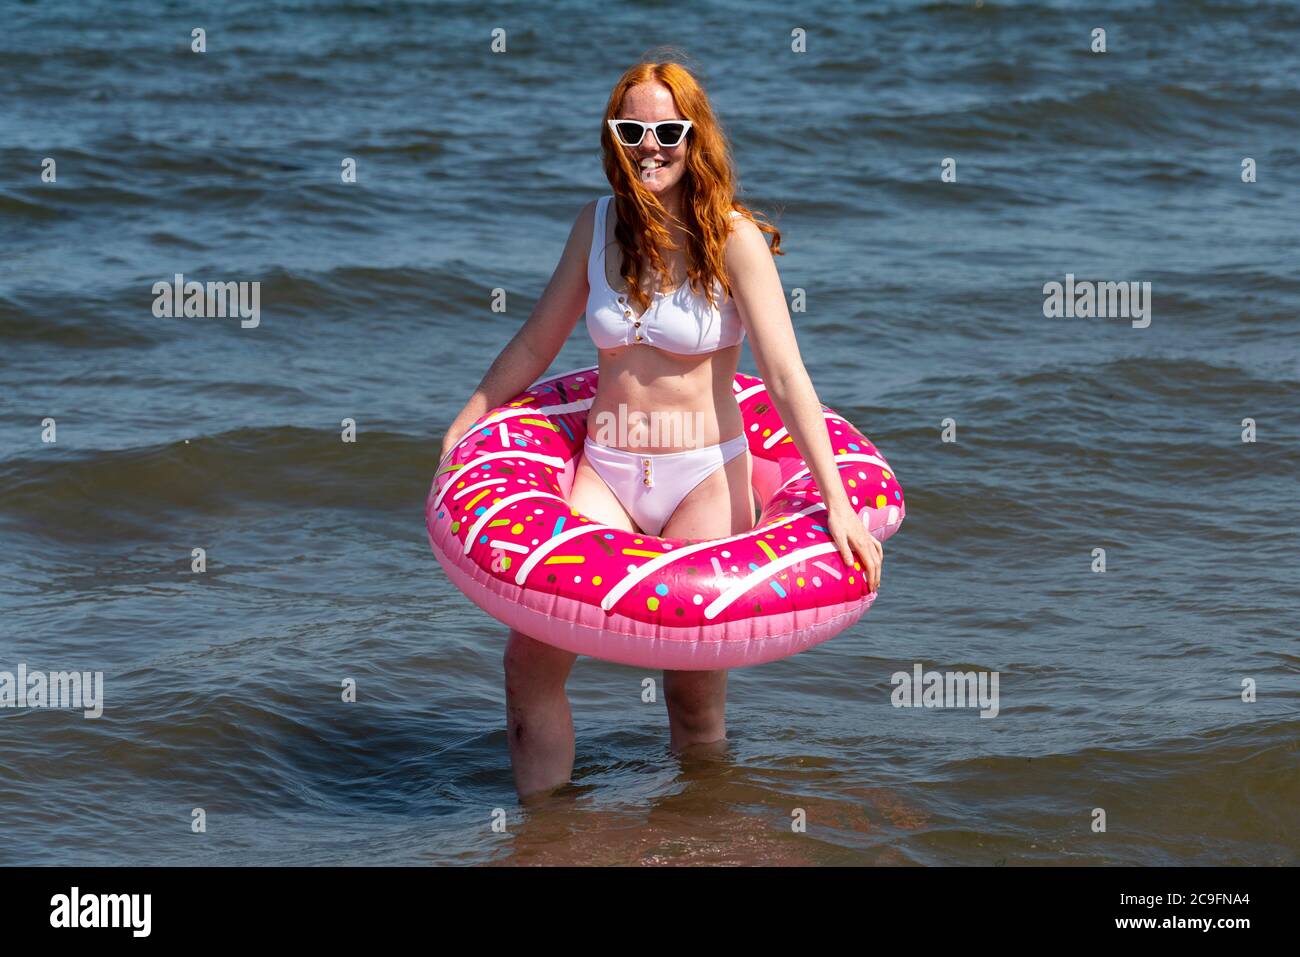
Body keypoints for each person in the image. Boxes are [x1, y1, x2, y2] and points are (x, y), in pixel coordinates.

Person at [439, 58, 883, 797]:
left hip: (704, 476)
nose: (652, 145)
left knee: (691, 695)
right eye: (634, 129)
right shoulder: (596, 225)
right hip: (606, 474)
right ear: (615, 137)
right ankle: (544, 835)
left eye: (669, 130)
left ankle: (703, 836)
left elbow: (783, 375)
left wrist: (837, 502)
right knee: (529, 664)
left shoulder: (733, 238)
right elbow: (534, 343)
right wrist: (466, 422)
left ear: (694, 135)